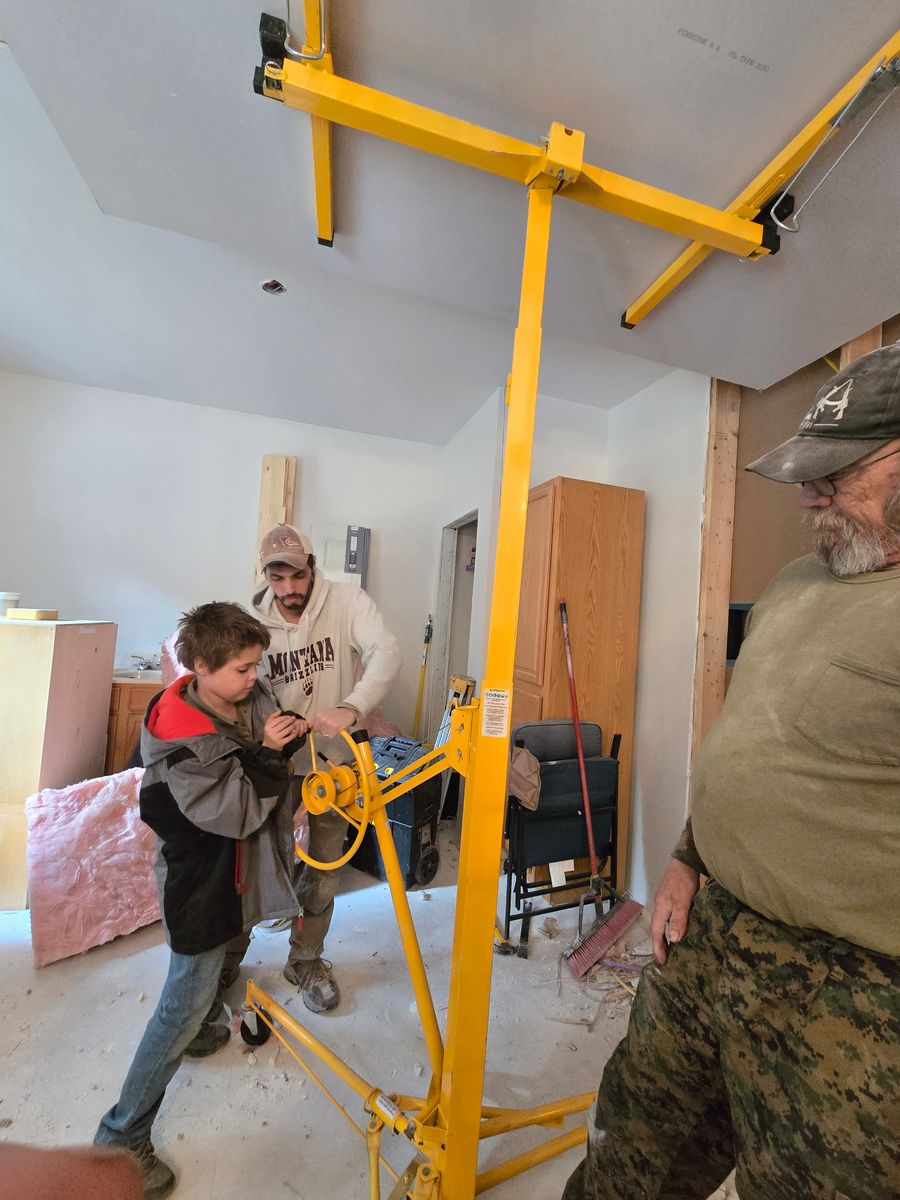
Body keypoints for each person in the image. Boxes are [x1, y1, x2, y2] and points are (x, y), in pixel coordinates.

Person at [563, 343, 900, 1200]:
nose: (808, 495)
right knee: (625, 1163)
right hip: (711, 942)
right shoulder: (795, 583)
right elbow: (749, 739)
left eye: (838, 472)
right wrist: (688, 855)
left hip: (852, 1008)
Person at [95, 602, 306, 1200]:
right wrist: (269, 753)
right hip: (201, 878)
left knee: (233, 947)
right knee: (181, 1002)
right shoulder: (182, 740)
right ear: (203, 666)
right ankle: (121, 1136)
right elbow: (237, 811)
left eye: (256, 665)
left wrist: (291, 736)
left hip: (238, 870)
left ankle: (207, 1025)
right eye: (242, 668)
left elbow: (270, 720)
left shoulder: (240, 694)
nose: (254, 678)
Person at [252, 524, 401, 1013]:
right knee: (256, 863)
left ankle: (305, 958)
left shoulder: (347, 602)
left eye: (297, 576)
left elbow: (387, 651)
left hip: (335, 766)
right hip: (278, 763)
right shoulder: (253, 622)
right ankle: (226, 961)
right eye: (279, 579)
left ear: (312, 566)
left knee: (325, 867)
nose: (290, 590)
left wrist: (352, 708)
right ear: (266, 576)